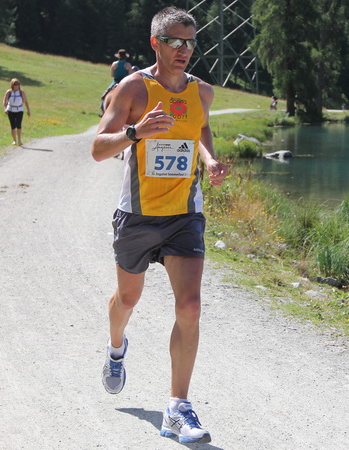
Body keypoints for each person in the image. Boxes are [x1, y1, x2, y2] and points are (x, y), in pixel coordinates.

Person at [91, 6, 229, 445]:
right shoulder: (133, 88)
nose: (184, 50)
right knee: (128, 300)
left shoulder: (202, 91)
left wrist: (209, 159)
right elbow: (98, 148)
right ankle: (116, 347)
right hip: (137, 215)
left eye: (190, 42)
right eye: (175, 41)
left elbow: (200, 129)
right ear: (156, 43)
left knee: (190, 306)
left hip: (184, 215)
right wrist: (136, 132)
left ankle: (177, 408)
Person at [2, 78, 31, 146]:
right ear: (12, 85)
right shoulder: (9, 92)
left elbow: (26, 102)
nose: (17, 86)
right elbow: (4, 101)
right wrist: (5, 109)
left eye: (18, 84)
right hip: (11, 110)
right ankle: (14, 140)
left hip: (19, 110)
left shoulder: (21, 92)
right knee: (13, 126)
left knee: (19, 125)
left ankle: (19, 140)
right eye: (15, 84)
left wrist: (28, 111)